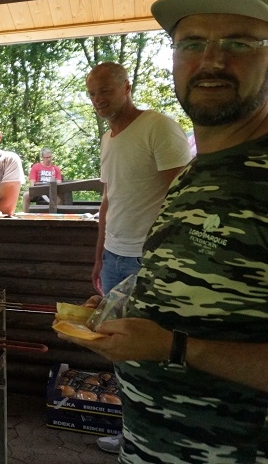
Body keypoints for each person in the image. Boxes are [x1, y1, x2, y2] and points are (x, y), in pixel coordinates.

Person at [61, 0, 268, 462]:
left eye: (238, 42)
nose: (211, 60)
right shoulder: (202, 170)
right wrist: (124, 307)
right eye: (192, 43)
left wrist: (176, 347)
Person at [84, 62, 192, 453]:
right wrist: (99, 255)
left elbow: (183, 201)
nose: (98, 99)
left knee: (152, 352)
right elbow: (108, 201)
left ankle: (164, 441)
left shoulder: (157, 127)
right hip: (115, 257)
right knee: (121, 351)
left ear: (127, 87)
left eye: (105, 90)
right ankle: (132, 433)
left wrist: (167, 261)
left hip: (150, 262)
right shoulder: (108, 139)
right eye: (92, 93)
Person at [22, 148, 63, 212]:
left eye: (50, 157)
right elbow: (32, 184)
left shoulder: (56, 169)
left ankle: (54, 215)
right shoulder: (36, 167)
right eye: (46, 157)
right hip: (38, 191)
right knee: (26, 195)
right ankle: (25, 215)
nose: (49, 159)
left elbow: (59, 184)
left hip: (51, 192)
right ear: (42, 157)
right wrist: (37, 190)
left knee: (60, 199)